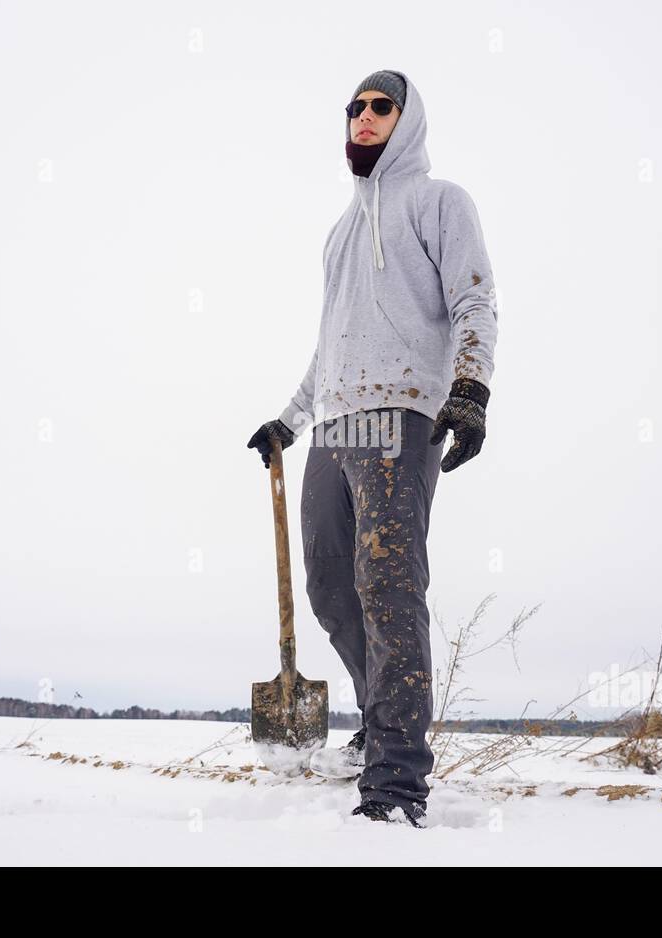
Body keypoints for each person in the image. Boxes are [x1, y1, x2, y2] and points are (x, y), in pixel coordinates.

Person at [247, 69, 499, 828]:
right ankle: (376, 719)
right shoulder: (339, 233)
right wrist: (290, 420)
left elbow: (474, 298)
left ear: (406, 119)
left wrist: (471, 388)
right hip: (335, 426)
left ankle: (395, 781)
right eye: (353, 107)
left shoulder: (440, 202)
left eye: (379, 106)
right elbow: (330, 345)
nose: (362, 116)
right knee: (330, 586)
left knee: (388, 592)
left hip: (400, 421)